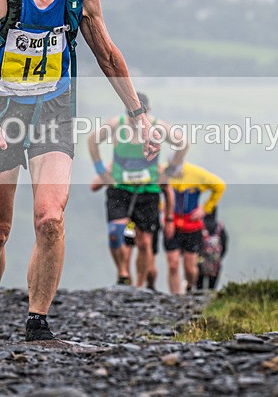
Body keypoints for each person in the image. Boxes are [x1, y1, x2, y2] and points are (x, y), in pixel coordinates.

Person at [0, 0, 161, 347]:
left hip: (54, 108)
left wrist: (140, 116)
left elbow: (108, 56)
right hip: (2, 110)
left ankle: (38, 322)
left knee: (50, 218)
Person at [88, 93, 186, 288]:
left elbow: (182, 143)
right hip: (120, 188)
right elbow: (92, 140)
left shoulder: (156, 126)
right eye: (131, 114)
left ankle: (139, 286)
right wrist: (101, 170)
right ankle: (123, 272)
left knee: (144, 241)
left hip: (147, 190)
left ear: (147, 111)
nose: (135, 120)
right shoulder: (117, 124)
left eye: (139, 114)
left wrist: (168, 172)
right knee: (116, 232)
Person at [164, 162, 226, 294]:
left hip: (192, 226)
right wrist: (161, 208)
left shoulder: (196, 174)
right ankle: (175, 297)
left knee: (190, 268)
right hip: (172, 224)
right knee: (173, 264)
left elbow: (219, 186)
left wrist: (205, 209)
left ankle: (189, 287)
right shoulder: (163, 171)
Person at [196, 210, 228, 290]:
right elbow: (224, 244)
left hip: (200, 260)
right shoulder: (220, 227)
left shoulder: (200, 225)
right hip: (215, 262)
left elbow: (194, 242)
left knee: (199, 287)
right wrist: (220, 257)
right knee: (211, 289)